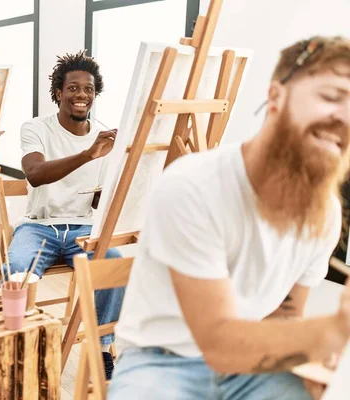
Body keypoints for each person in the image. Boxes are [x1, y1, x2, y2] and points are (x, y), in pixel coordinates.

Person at [109, 37, 350, 400]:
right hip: (159, 361)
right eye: (332, 97)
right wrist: (334, 331)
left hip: (250, 360)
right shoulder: (192, 186)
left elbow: (286, 315)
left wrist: (312, 361)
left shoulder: (325, 215)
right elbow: (217, 342)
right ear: (276, 97)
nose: (345, 118)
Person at [4, 50, 124, 379]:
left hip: (82, 229)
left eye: (87, 89)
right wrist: (88, 154)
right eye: (72, 88)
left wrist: (117, 187)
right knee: (16, 270)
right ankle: (18, 344)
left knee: (113, 261)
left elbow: (98, 201)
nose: (81, 95)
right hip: (38, 227)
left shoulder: (105, 136)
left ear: (94, 95)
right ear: (59, 93)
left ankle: (101, 349)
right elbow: (35, 173)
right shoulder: (36, 127)